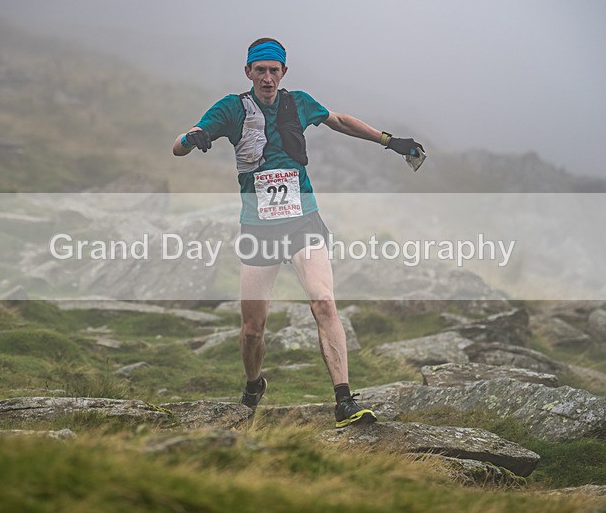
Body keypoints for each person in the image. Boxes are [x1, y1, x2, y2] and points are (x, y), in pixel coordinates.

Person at [173, 38, 426, 428]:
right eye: (261, 70)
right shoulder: (230, 109)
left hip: (302, 219)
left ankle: (344, 400)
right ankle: (254, 384)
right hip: (258, 227)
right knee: (253, 329)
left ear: (284, 73)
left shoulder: (299, 102)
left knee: (324, 302)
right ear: (248, 73)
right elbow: (179, 145)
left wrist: (389, 141)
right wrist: (193, 139)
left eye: (275, 70)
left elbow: (338, 120)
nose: (268, 77)